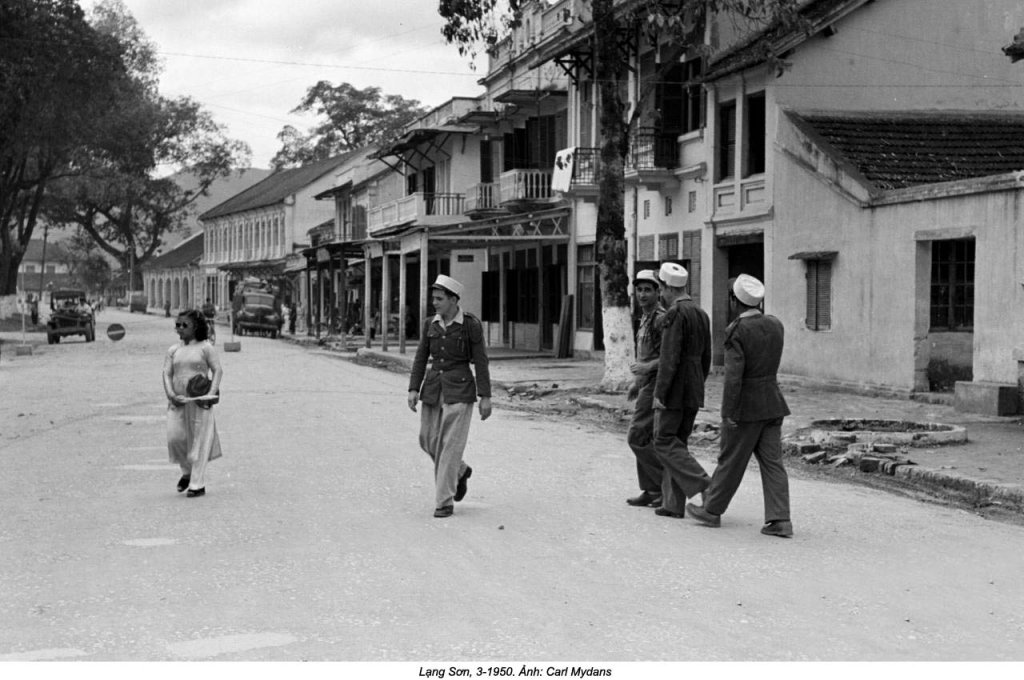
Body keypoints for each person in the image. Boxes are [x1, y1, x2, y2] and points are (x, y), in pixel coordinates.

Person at [687, 274, 794, 538]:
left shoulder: (736, 330)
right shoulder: (775, 324)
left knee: (731, 460)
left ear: (734, 301)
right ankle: (780, 519)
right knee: (773, 463)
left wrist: (728, 413)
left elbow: (733, 378)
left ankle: (711, 510)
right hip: (773, 402)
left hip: (747, 406)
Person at [407, 275, 492, 518]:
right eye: (433, 298)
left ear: (454, 300)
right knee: (428, 440)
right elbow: (421, 357)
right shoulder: (429, 324)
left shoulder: (469, 325)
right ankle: (460, 471)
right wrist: (414, 388)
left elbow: (481, 361)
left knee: (449, 447)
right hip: (433, 389)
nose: (434, 303)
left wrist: (485, 396)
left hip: (460, 390)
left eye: (439, 299)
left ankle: (444, 500)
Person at [651, 262, 712, 518]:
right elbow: (707, 356)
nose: (660, 294)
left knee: (663, 441)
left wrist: (660, 393)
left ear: (667, 288)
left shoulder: (675, 313)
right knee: (679, 444)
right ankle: (673, 504)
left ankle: (705, 484)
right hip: (694, 385)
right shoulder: (700, 312)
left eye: (661, 288)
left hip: (675, 388)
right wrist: (699, 382)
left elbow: (669, 358)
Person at [163, 309, 223, 498]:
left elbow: (217, 370)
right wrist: (171, 394)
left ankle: (197, 483)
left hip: (199, 400)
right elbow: (167, 373)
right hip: (178, 400)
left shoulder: (206, 348)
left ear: (195, 327)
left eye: (184, 325)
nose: (180, 328)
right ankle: (187, 473)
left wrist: (211, 394)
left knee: (199, 441)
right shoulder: (173, 350)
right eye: (177, 325)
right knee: (175, 438)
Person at [625, 270, 666, 508]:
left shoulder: (660, 319)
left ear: (658, 292)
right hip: (645, 384)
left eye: (647, 290)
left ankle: (663, 486)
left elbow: (669, 356)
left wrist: (645, 368)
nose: (642, 294)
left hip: (656, 384)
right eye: (639, 290)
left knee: (637, 437)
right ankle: (651, 490)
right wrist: (636, 382)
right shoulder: (645, 318)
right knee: (643, 436)